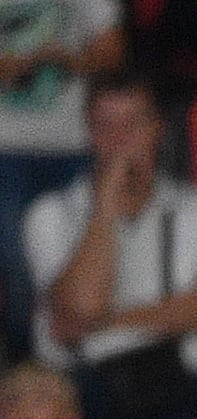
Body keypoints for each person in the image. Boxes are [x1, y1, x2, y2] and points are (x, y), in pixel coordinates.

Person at [25, 69, 197, 419]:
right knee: (53, 408)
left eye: (134, 125)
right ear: (89, 135)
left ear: (158, 129)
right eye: (106, 128)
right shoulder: (51, 214)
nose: (121, 141)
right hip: (93, 385)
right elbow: (81, 308)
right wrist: (105, 210)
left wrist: (109, 322)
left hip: (188, 379)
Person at [0, 0, 123, 354]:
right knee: (19, 273)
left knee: (78, 261)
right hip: (6, 148)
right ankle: (32, 376)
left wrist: (70, 60)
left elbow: (112, 50)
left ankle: (76, 372)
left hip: (73, 144)